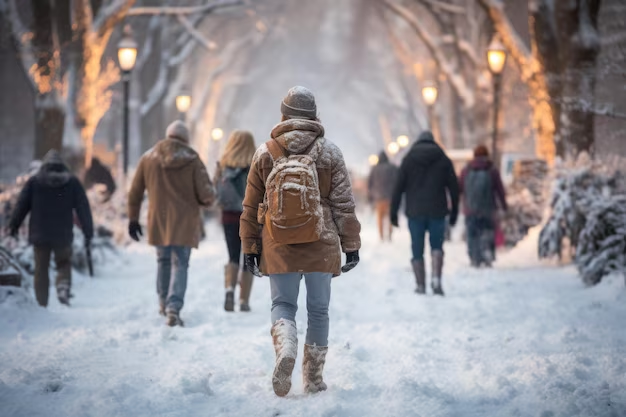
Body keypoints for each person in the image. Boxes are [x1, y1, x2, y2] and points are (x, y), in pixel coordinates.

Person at [240, 86, 361, 397]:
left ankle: (286, 347)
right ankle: (314, 379)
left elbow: (251, 207)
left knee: (282, 304)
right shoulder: (330, 152)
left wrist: (249, 247)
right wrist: (351, 244)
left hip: (277, 239)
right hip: (321, 239)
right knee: (319, 310)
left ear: (283, 116)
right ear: (314, 117)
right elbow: (344, 204)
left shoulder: (265, 153)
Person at [128, 121, 215, 327]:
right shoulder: (193, 160)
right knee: (181, 264)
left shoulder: (148, 158)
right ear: (185, 139)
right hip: (184, 223)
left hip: (159, 220)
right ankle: (173, 308)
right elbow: (207, 197)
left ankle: (162, 302)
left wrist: (133, 219)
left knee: (163, 261)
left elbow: (135, 192)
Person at [8, 150, 93, 307]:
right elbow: (83, 208)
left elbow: (22, 206)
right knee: (64, 263)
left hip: (40, 234)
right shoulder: (72, 182)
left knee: (41, 269)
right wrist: (88, 230)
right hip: (63, 233)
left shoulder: (34, 182)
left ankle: (42, 303)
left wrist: (14, 225)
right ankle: (62, 285)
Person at [390, 131, 459, 296]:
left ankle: (420, 284)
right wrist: (454, 211)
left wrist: (393, 212)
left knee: (417, 248)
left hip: (415, 212)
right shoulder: (443, 159)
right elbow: (454, 188)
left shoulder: (408, 160)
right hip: (438, 211)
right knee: (437, 246)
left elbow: (398, 188)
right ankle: (436, 280)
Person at [214, 130, 256, 312]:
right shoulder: (254, 165)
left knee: (232, 255)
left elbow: (215, 191)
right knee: (248, 257)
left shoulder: (222, 166)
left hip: (228, 215)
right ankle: (244, 300)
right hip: (250, 218)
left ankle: (229, 290)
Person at [458, 145, 507, 267]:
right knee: (487, 231)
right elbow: (499, 190)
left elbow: (459, 188)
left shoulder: (466, 170)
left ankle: (474, 258)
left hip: (470, 209)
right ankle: (487, 254)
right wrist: (504, 206)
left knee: (472, 234)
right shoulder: (492, 170)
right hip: (488, 209)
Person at [367, 150, 398, 241]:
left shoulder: (374, 169)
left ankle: (381, 236)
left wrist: (370, 197)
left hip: (379, 197)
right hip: (390, 197)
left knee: (380, 217)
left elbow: (370, 184)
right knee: (390, 216)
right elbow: (397, 181)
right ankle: (389, 234)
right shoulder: (392, 168)